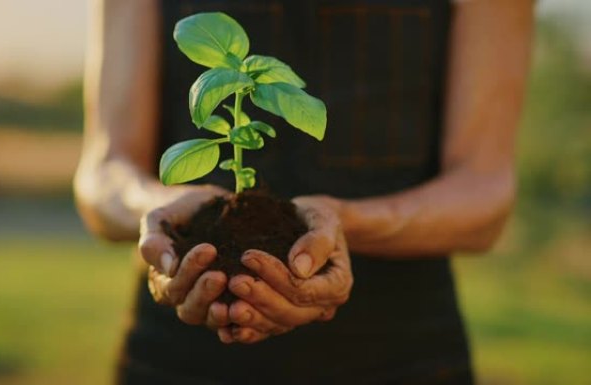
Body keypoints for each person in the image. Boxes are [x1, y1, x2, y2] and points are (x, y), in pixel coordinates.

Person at [74, 0, 533, 383]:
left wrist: (344, 222)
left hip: (403, 353)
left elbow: (485, 196)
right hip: (178, 356)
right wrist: (163, 215)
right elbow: (105, 172)